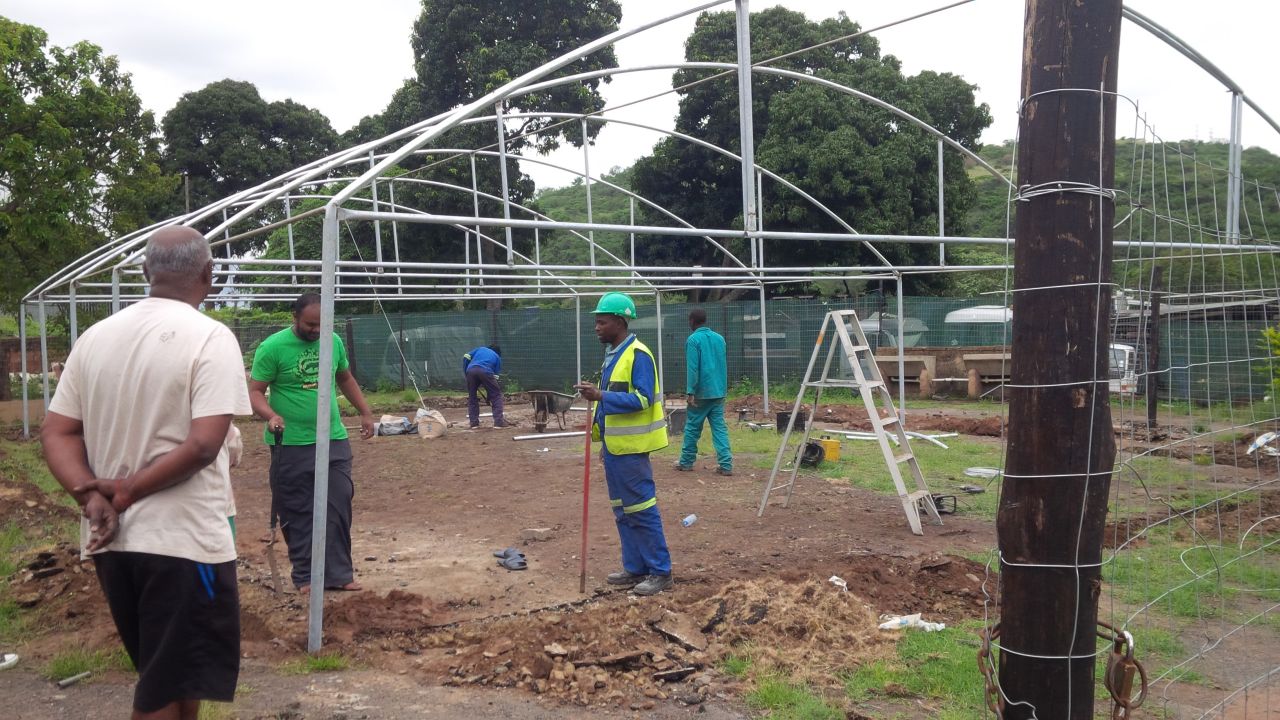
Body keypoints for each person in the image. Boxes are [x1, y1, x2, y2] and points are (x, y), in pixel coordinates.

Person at [42, 226, 251, 720]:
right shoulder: (210, 336)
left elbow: (58, 432)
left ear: (144, 273)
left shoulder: (96, 337)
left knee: (173, 677)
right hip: (183, 541)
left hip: (114, 542)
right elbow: (204, 444)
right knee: (161, 690)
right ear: (209, 273)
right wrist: (127, 491)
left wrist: (90, 498)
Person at [248, 293, 375, 593]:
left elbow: (345, 378)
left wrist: (365, 412)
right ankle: (305, 576)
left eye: (322, 324)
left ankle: (340, 574)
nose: (317, 330)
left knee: (339, 503)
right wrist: (270, 414)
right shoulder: (272, 347)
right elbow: (254, 392)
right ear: (294, 317)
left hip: (333, 437)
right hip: (290, 443)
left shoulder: (334, 341)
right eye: (310, 324)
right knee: (296, 509)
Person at [573, 292, 673, 596]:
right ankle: (635, 567)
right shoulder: (613, 355)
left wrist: (600, 396)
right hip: (616, 450)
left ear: (619, 321)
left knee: (641, 509)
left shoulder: (638, 354)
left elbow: (642, 399)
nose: (596, 327)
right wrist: (603, 442)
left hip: (632, 451)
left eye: (602, 322)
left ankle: (660, 571)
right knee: (622, 511)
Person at [675, 308, 733, 475]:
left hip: (701, 394)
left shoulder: (693, 340)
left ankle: (686, 462)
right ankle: (726, 464)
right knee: (719, 428)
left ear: (692, 321)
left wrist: (690, 391)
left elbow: (693, 368)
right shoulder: (719, 339)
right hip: (718, 391)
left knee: (693, 427)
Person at [462, 344, 506, 428]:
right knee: (496, 395)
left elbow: (466, 356)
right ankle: (498, 423)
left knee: (472, 397)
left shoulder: (480, 349)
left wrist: (466, 372)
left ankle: (474, 423)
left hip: (470, 371)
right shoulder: (497, 357)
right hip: (486, 371)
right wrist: (490, 397)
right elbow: (494, 379)